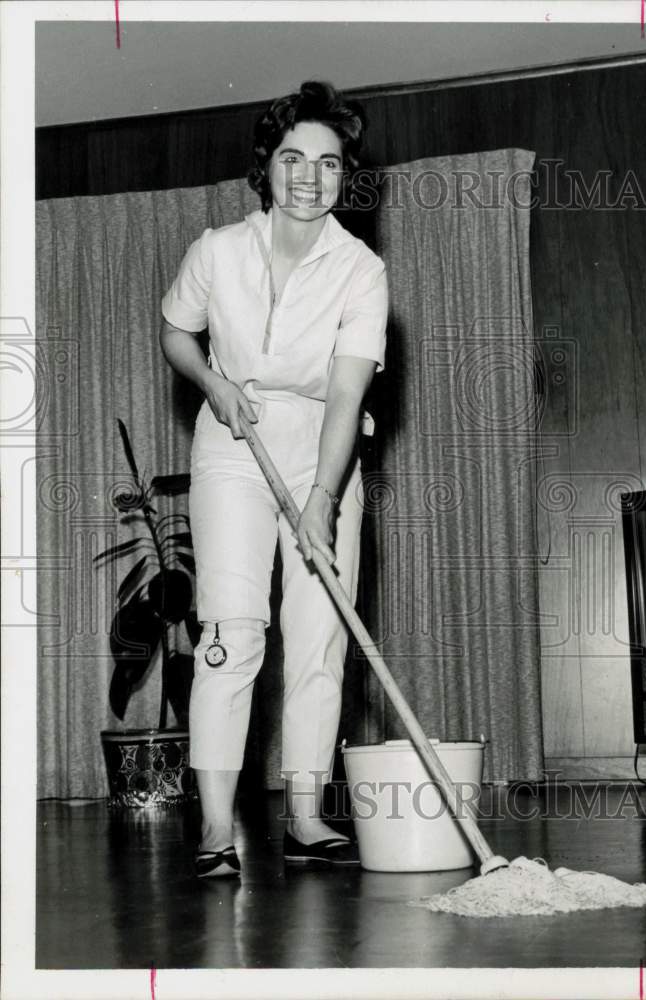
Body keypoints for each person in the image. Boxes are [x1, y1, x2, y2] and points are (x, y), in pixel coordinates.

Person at [160, 81, 388, 878]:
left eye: (328, 162)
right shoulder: (216, 251)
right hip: (232, 440)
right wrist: (212, 382)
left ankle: (303, 817)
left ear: (344, 176)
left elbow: (350, 392)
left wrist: (324, 500)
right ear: (267, 167)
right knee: (230, 635)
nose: (308, 176)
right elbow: (176, 331)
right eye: (293, 158)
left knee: (320, 632)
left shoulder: (361, 270)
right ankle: (217, 831)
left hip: (322, 444)